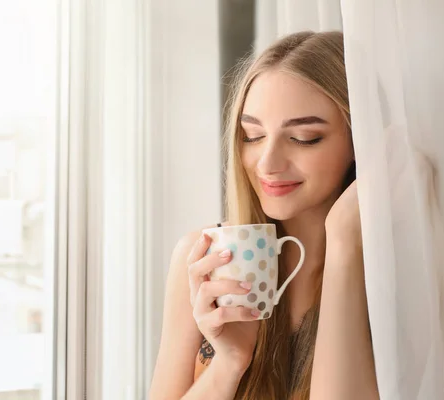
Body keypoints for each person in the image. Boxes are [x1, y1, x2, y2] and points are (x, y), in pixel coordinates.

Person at [149, 31, 379, 400]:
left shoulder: (389, 270)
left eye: (304, 137)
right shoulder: (204, 257)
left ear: (359, 140)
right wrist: (229, 363)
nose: (267, 164)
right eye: (252, 135)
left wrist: (343, 238)